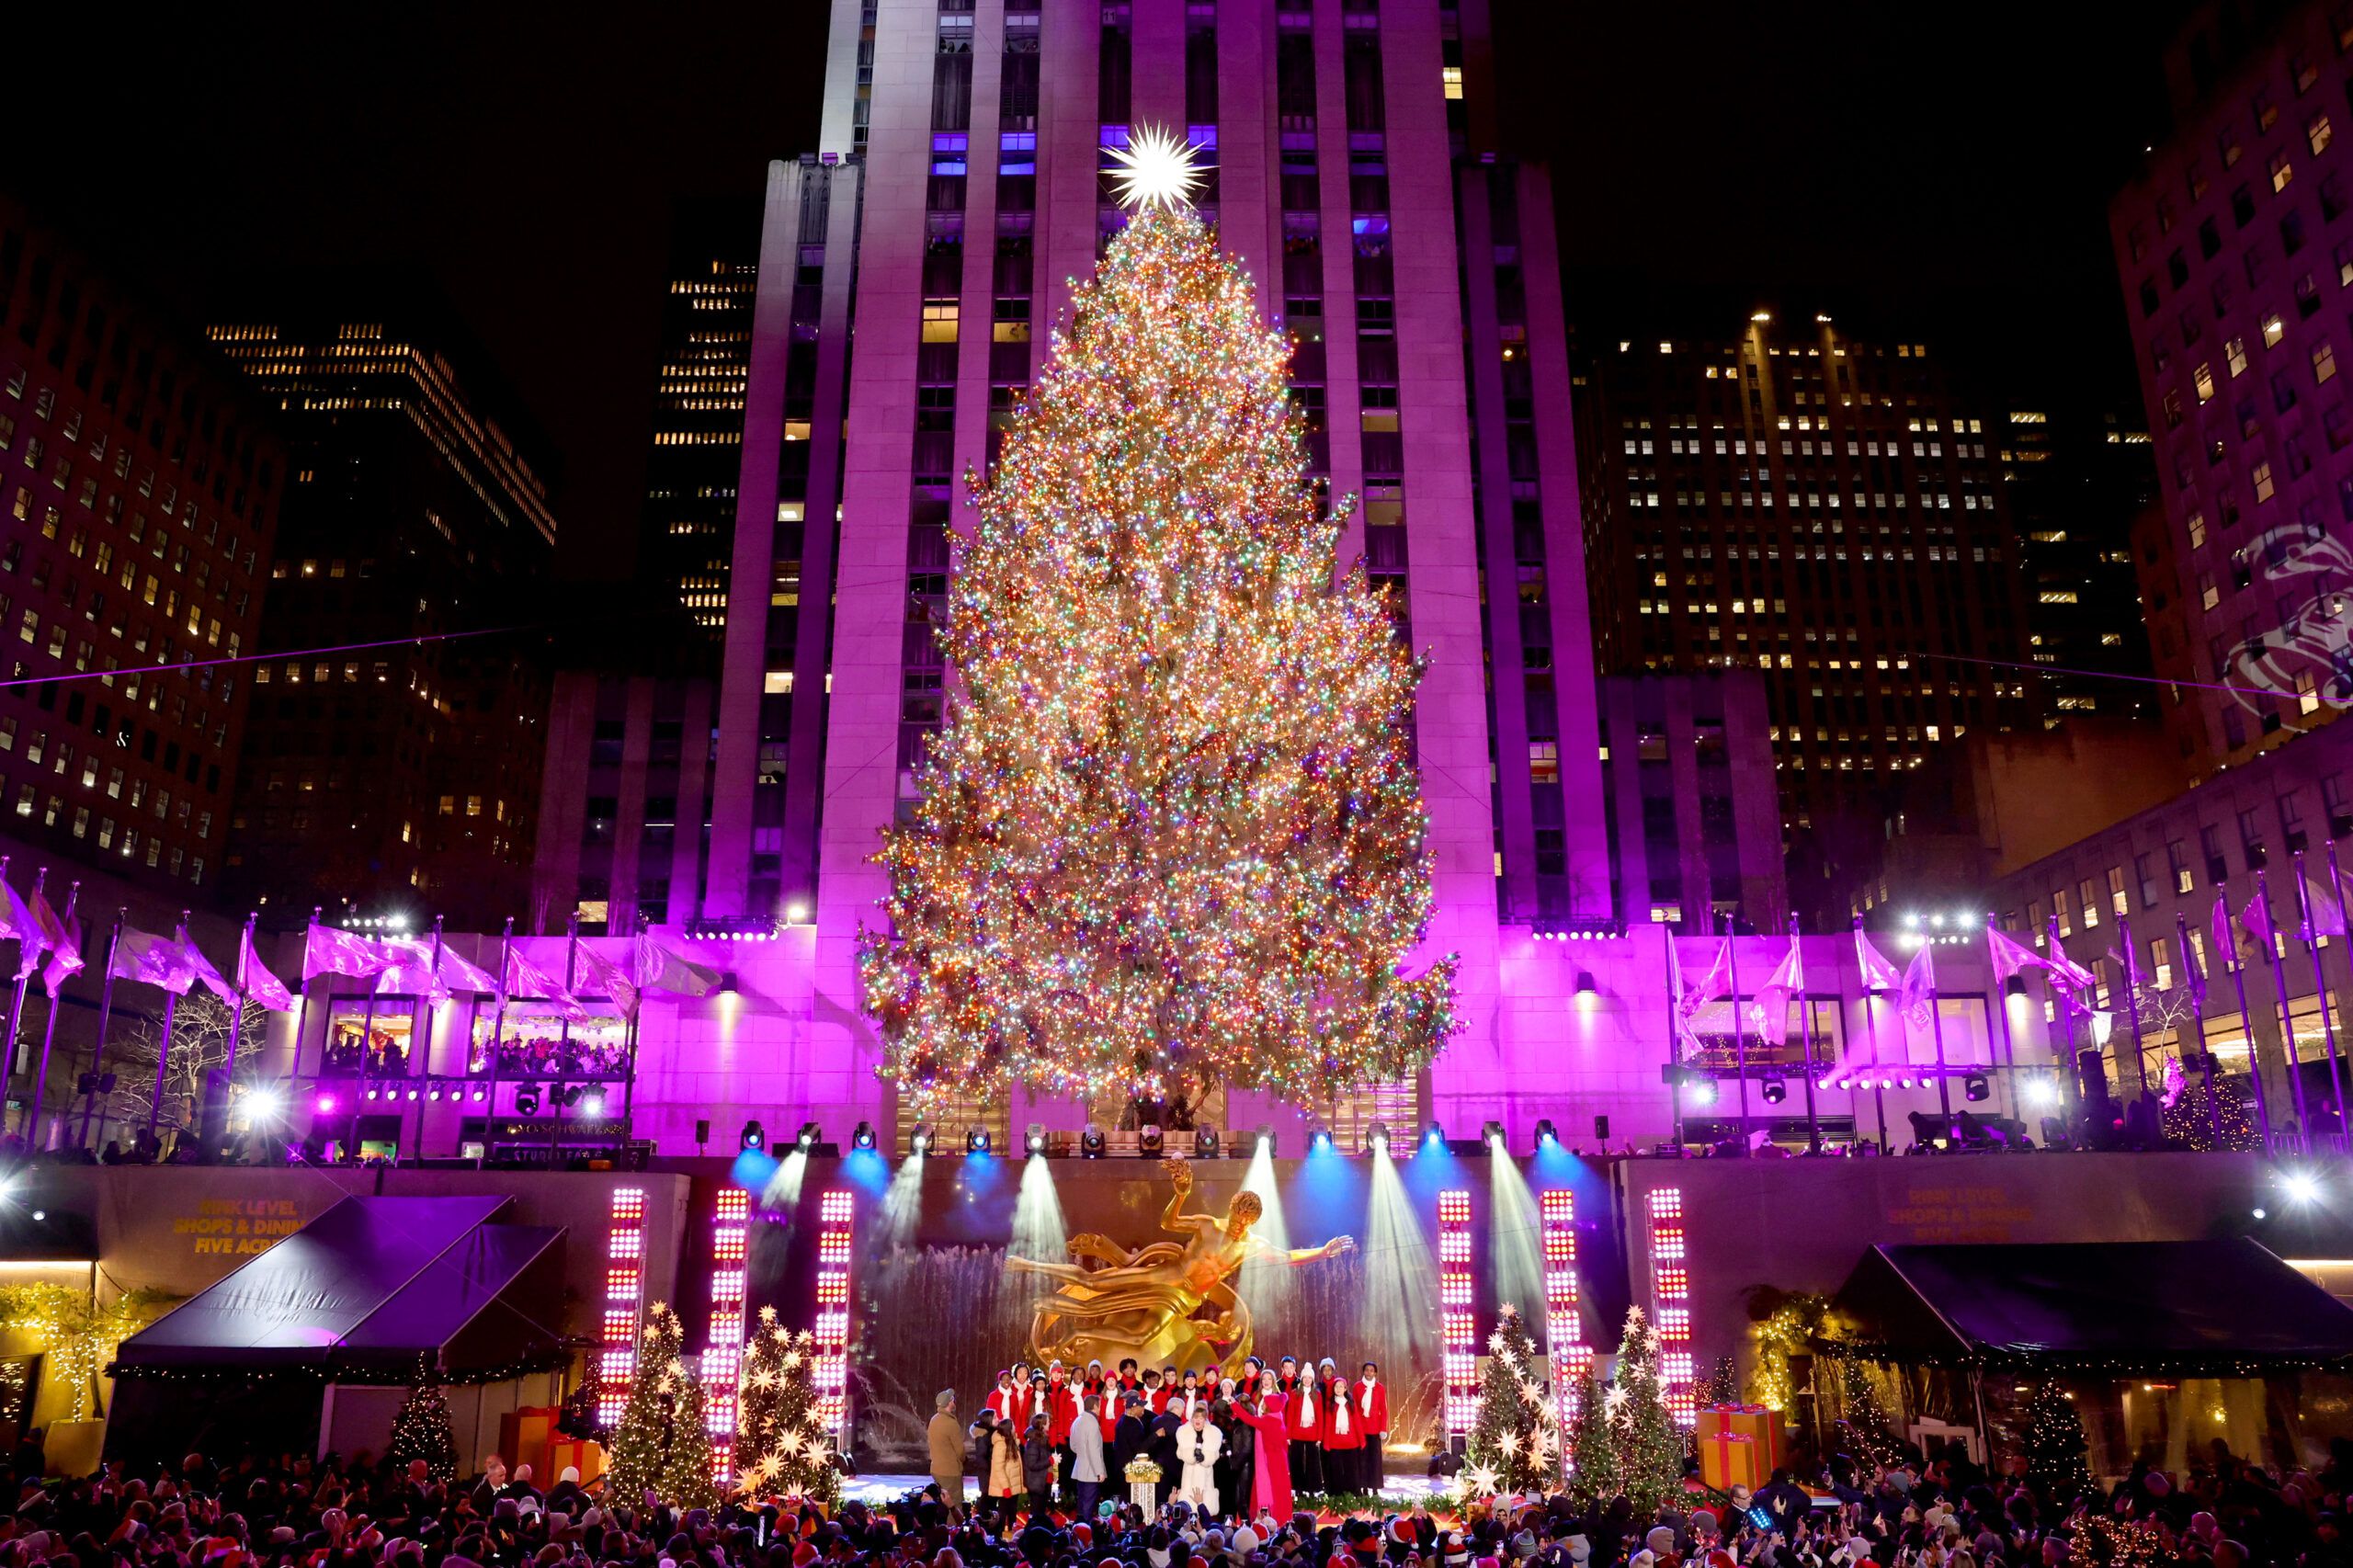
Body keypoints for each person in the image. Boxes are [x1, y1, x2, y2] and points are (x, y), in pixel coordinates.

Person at [1321, 1359, 1362, 1494]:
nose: (1338, 1389)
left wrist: (1362, 1440)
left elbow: (1357, 1423)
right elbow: (1327, 1425)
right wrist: (1326, 1443)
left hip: (1351, 1442)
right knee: (1336, 1470)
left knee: (1352, 1470)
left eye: (1341, 1387)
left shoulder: (1351, 1403)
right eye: (1336, 1387)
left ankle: (1353, 1494)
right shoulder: (1330, 1404)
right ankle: (1337, 1495)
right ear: (1333, 1389)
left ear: (1345, 1388)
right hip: (1335, 1443)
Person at [1287, 1358, 1325, 1496]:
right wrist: (1288, 1435)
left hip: (1312, 1434)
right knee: (1296, 1461)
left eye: (1310, 1378)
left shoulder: (1317, 1395)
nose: (1307, 1380)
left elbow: (1320, 1417)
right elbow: (1290, 1416)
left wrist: (1320, 1437)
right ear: (1302, 1378)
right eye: (1305, 1377)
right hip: (1297, 1433)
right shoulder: (1294, 1394)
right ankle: (1298, 1489)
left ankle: (1312, 1489)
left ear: (1313, 1380)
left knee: (1312, 1462)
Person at [1177, 1406, 1224, 1517]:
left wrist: (1205, 1458)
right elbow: (1180, 1453)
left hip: (1205, 1473)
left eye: (1201, 1418)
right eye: (1195, 1418)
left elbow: (1215, 1454)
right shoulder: (1184, 1433)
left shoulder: (1213, 1434)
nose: (1197, 1420)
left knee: (1204, 1510)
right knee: (1188, 1509)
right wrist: (1191, 1455)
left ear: (1205, 1420)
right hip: (1189, 1473)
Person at [1070, 1395, 1108, 1525]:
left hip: (1080, 1467)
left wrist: (1082, 1454)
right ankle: (1085, 1531)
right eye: (1100, 1406)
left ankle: (1079, 1529)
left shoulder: (1077, 1420)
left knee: (1081, 1503)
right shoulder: (1092, 1422)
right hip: (1091, 1471)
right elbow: (1094, 1449)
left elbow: (1073, 1446)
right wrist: (1100, 1471)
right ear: (1095, 1406)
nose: (1100, 1409)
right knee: (1088, 1504)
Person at [1357, 1360, 1390, 1495]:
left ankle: (1375, 1487)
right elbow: (1357, 1410)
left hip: (1375, 1429)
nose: (1369, 1373)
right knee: (1362, 1459)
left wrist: (1383, 1429)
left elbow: (1384, 1409)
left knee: (1375, 1460)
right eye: (1367, 1370)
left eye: (1371, 1370)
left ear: (1375, 1373)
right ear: (1363, 1372)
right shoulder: (1358, 1387)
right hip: (1362, 1430)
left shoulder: (1380, 1388)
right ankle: (1363, 1487)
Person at [928, 1390, 966, 1502]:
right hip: (950, 1472)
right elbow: (960, 1452)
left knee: (941, 1503)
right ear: (949, 1403)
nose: (954, 1400)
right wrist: (962, 1461)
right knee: (953, 1504)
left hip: (936, 1469)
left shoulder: (934, 1419)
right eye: (952, 1399)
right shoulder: (951, 1423)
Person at [1019, 1412, 1056, 1517]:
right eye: (1048, 1422)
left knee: (1041, 1513)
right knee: (1037, 1514)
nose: (1050, 1424)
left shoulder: (1043, 1440)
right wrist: (1050, 1461)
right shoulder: (1034, 1442)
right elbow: (1032, 1464)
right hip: (1036, 1484)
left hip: (1043, 1482)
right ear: (1042, 1425)